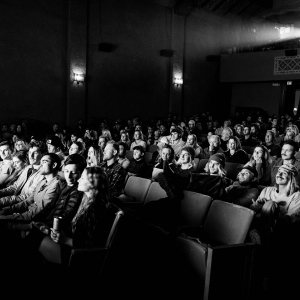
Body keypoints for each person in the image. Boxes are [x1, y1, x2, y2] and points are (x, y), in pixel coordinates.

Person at [0, 153, 62, 221]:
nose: (40, 165)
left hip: (35, 222)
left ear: (54, 165)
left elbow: (37, 213)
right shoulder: (43, 182)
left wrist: (7, 217)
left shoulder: (55, 185)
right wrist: (7, 209)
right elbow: (28, 201)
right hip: (26, 215)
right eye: (40, 162)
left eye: (44, 162)